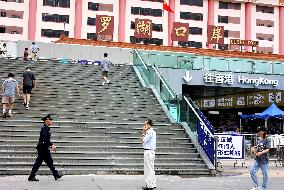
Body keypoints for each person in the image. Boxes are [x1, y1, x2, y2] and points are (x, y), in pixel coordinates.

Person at [28, 114, 63, 181]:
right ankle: (31, 176)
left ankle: (56, 175)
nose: (52, 121)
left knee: (50, 162)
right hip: (42, 148)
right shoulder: (44, 128)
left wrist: (50, 145)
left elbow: (46, 139)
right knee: (38, 163)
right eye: (50, 120)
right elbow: (45, 138)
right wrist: (52, 145)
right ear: (47, 120)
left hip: (45, 148)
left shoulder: (46, 128)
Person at [250, 126, 271, 190]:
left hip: (264, 160)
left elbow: (268, 149)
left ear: (263, 132)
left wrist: (261, 153)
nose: (258, 132)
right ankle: (256, 186)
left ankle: (264, 188)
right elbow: (259, 147)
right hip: (257, 159)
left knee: (265, 175)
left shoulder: (267, 140)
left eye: (259, 131)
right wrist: (255, 148)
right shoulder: (259, 139)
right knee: (252, 171)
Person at [141, 119, 156, 190]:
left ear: (149, 125)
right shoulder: (153, 132)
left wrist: (144, 132)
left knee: (148, 169)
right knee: (151, 168)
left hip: (148, 152)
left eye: (146, 124)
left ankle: (150, 185)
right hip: (151, 152)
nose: (144, 126)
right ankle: (153, 183)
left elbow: (143, 140)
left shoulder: (149, 132)